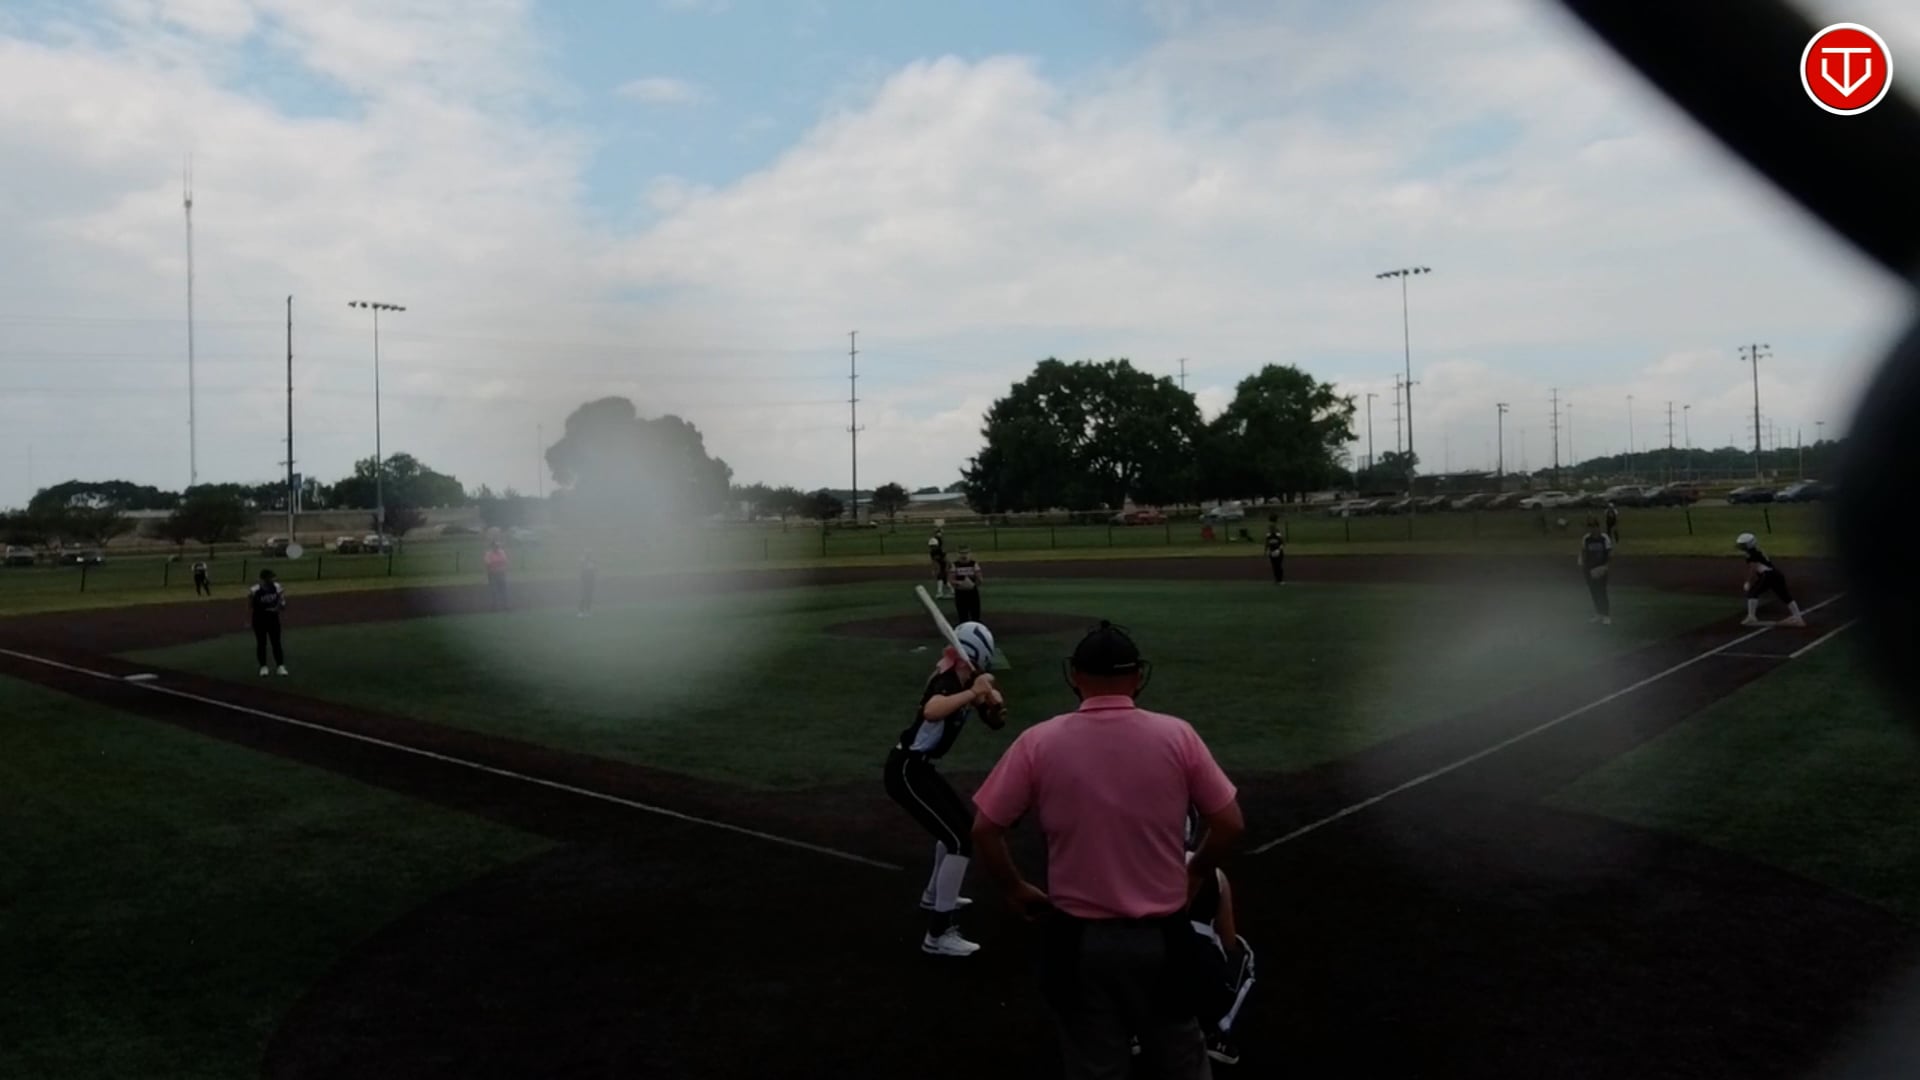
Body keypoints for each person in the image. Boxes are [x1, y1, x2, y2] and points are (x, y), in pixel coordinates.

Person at [972, 621, 1243, 1079]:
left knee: (1094, 1063)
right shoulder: (1177, 735)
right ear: (1138, 676)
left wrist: (1014, 888)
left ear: (1075, 676)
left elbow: (985, 829)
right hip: (1164, 937)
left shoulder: (1038, 741)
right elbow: (1230, 823)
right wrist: (1196, 871)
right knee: (1181, 1057)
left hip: (1078, 940)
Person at [883, 620, 1005, 957]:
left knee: (962, 829)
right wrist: (975, 692)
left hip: (920, 769)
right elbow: (932, 710)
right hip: (906, 770)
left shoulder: (965, 681)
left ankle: (934, 895)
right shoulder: (947, 681)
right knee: (959, 841)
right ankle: (938, 934)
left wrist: (993, 707)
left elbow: (995, 721)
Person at [1737, 532, 1806, 627]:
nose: (1741, 547)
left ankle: (1751, 617)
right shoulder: (1758, 551)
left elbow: (1753, 567)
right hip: (1776, 574)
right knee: (1785, 596)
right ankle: (1798, 618)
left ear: (1749, 544)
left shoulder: (1751, 554)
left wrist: (1748, 581)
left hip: (1768, 575)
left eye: (1743, 545)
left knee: (1753, 592)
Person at [248, 568, 289, 676]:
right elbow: (251, 605)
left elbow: (282, 603)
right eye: (271, 578)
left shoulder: (277, 587)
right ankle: (263, 666)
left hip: (273, 619)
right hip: (259, 619)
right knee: (261, 643)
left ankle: (280, 666)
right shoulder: (255, 590)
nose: (273, 579)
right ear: (264, 579)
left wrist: (277, 608)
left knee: (276, 642)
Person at [1579, 517, 1614, 625]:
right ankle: (1599, 613)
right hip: (1589, 569)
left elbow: (1609, 553)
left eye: (1594, 526)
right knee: (1594, 591)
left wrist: (1606, 566)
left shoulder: (1604, 538)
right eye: (1590, 526)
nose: (1592, 529)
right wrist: (1583, 565)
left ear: (1598, 527)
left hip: (1601, 568)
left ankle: (1606, 615)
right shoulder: (1586, 538)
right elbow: (1583, 552)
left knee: (1602, 591)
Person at [949, 546, 983, 624]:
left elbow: (980, 579)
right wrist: (960, 583)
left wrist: (973, 585)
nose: (964, 555)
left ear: (969, 554)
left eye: (966, 553)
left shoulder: (974, 564)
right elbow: (951, 580)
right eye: (961, 553)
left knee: (975, 615)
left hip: (972, 592)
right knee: (962, 616)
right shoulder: (954, 565)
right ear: (958, 554)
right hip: (960, 593)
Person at [484, 539, 510, 611]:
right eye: (495, 546)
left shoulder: (502, 552)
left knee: (504, 590)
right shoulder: (488, 553)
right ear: (492, 547)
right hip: (492, 575)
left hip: (501, 574)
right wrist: (499, 563)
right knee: (494, 591)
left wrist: (494, 563)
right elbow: (488, 563)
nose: (497, 547)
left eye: (498, 546)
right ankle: (495, 607)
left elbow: (505, 561)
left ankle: (506, 606)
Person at [928, 527, 950, 599]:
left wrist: (947, 568)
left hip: (945, 565)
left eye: (933, 546)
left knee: (940, 577)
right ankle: (953, 591)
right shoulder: (932, 552)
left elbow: (946, 560)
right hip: (941, 565)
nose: (932, 548)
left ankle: (939, 592)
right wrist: (933, 569)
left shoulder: (941, 551)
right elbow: (934, 561)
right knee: (944, 581)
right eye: (931, 546)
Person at [1264, 519, 1286, 585]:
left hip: (1279, 553)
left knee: (1278, 566)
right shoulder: (1268, 535)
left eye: (1272, 528)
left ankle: (1281, 580)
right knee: (1274, 567)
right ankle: (1276, 580)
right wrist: (1265, 551)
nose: (1271, 530)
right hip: (1272, 553)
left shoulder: (1278, 535)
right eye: (1270, 528)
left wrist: (1279, 550)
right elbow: (1267, 544)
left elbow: (1283, 543)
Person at [578, 552, 598, 618]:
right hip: (585, 582)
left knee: (589, 597)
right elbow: (582, 571)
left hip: (590, 582)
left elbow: (594, 572)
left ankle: (587, 611)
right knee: (583, 596)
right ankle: (581, 611)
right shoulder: (583, 563)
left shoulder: (592, 563)